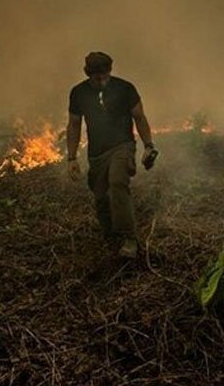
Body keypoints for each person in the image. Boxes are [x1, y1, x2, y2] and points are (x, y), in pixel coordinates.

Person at [66, 52, 157, 258]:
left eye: (105, 75)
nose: (102, 80)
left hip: (122, 146)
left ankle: (129, 238)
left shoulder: (125, 88)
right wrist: (71, 158)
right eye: (97, 77)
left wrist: (148, 146)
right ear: (88, 73)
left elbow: (139, 117)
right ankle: (110, 235)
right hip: (97, 153)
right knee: (100, 196)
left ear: (110, 70)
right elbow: (74, 125)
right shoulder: (78, 93)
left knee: (117, 183)